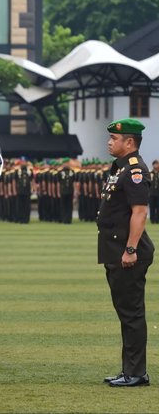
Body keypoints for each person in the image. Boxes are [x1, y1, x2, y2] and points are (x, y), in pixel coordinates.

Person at [98, 118, 155, 387]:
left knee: (131, 314)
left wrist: (130, 249)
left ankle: (136, 373)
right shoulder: (119, 168)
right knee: (126, 313)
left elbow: (140, 212)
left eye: (115, 138)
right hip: (116, 250)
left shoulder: (134, 170)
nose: (110, 142)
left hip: (128, 252)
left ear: (129, 142)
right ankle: (130, 369)